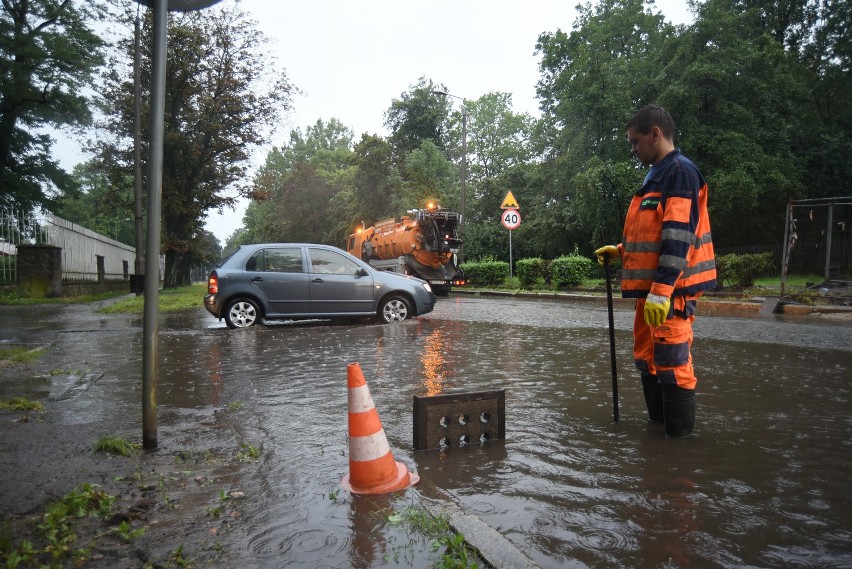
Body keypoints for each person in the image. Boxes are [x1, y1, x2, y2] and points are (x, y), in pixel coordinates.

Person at [595, 105, 716, 437]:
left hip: (670, 294)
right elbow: (652, 234)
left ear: (655, 134)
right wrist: (621, 252)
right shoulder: (657, 175)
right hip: (650, 295)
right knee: (648, 359)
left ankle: (678, 456)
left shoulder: (681, 173)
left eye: (635, 142)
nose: (634, 149)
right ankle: (659, 444)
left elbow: (678, 237)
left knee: (673, 365)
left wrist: (662, 290)